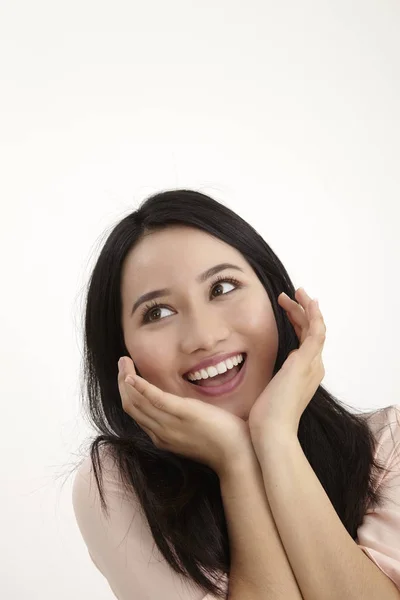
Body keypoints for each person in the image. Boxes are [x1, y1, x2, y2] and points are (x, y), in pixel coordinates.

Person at [72, 189, 400, 599]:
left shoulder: (387, 446)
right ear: (122, 353)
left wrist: (275, 437)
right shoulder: (117, 483)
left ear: (274, 295)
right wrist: (237, 462)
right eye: (158, 312)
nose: (205, 337)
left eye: (222, 288)